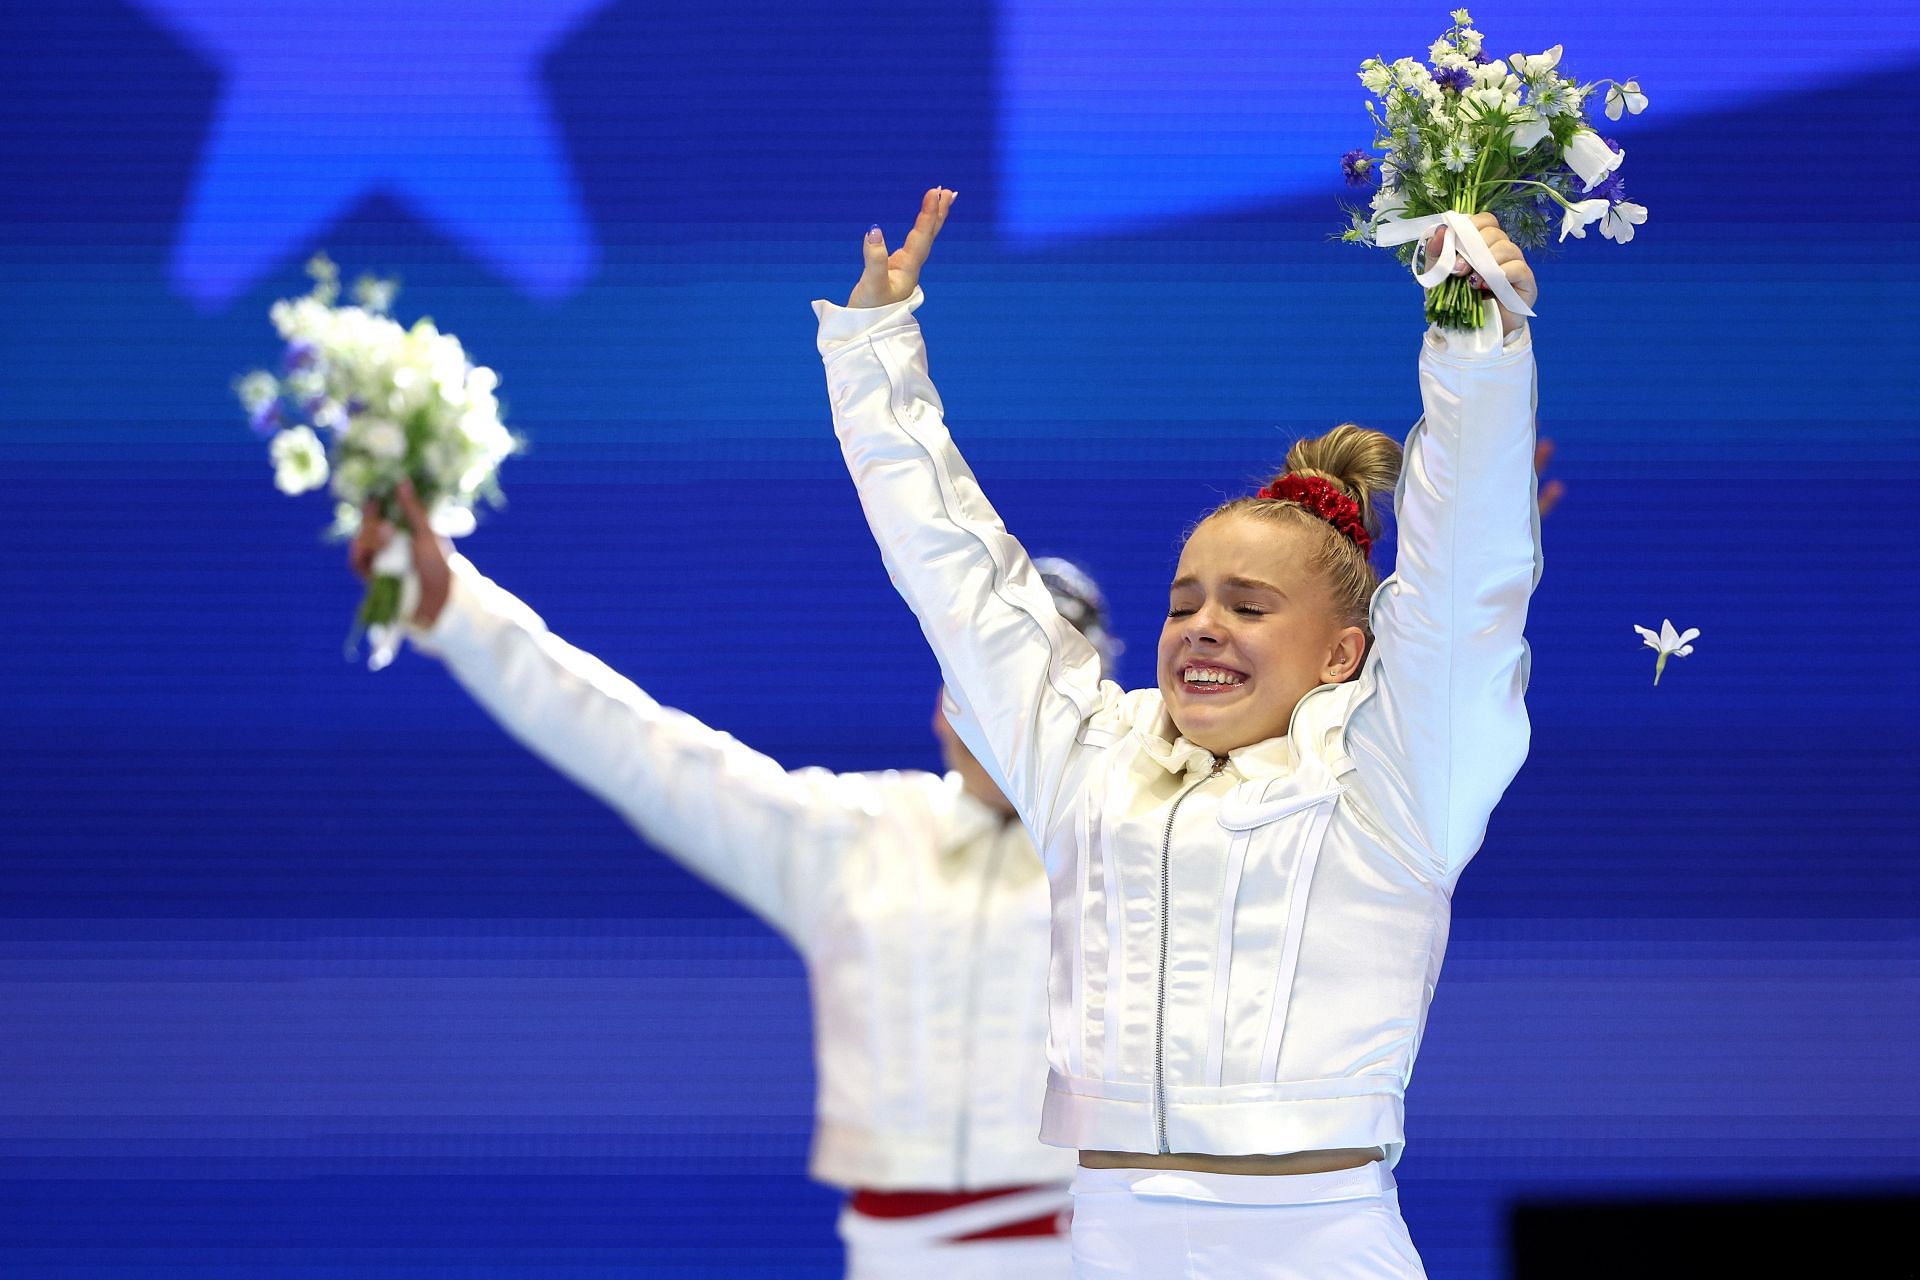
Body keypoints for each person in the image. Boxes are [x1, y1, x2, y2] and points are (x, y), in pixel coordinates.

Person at [817, 187, 1541, 1277]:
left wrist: (1475, 338)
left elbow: (1465, 585)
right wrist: (875, 352)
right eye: (1183, 600)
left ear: (1344, 652)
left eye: (1249, 606)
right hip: (1107, 1236)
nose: (1203, 625)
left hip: (1320, 1237)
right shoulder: (1088, 762)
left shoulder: (1398, 782)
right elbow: (959, 575)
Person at [348, 489, 1119, 1279]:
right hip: (891, 1256)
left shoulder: (1138, 851)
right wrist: (460, 615)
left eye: (1035, 681)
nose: (1002, 708)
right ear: (941, 699)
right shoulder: (858, 835)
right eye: (981, 674)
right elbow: (642, 751)